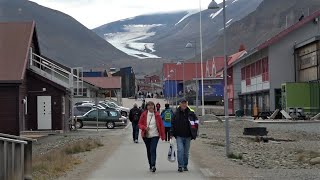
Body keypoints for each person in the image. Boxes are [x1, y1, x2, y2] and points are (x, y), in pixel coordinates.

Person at [171, 98, 199, 173]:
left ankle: (185, 165)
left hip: (188, 136)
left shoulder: (191, 113)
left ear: (186, 104)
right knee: (180, 150)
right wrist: (171, 133)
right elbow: (172, 123)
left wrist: (194, 132)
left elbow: (196, 122)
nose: (184, 104)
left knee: (186, 152)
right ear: (180, 104)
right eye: (182, 103)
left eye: (185, 103)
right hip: (179, 135)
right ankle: (180, 166)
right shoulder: (176, 113)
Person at [138, 101, 165, 173]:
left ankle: (153, 165)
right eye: (149, 105)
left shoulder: (157, 115)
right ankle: (150, 164)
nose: (150, 106)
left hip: (155, 135)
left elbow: (161, 126)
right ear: (146, 107)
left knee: (153, 149)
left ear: (154, 106)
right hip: (146, 135)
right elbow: (139, 124)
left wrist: (163, 135)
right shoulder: (144, 114)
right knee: (149, 150)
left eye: (152, 105)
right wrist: (144, 128)